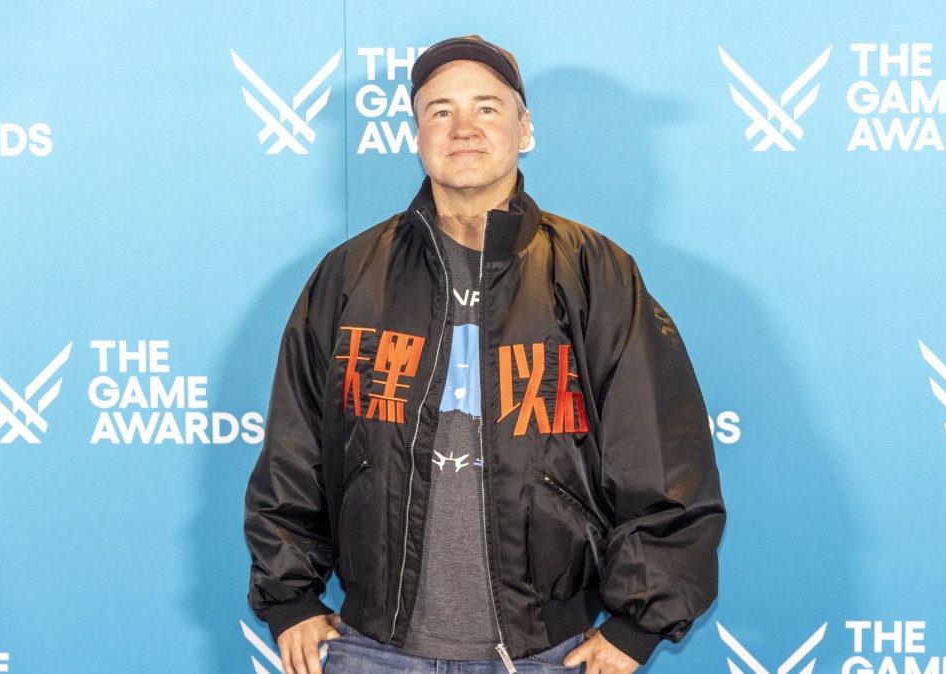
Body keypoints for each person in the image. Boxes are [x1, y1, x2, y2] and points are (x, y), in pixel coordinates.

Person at [244, 35, 725, 674]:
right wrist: (289, 599)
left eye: (487, 108)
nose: (463, 127)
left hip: (551, 652)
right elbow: (294, 448)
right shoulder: (350, 276)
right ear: (416, 133)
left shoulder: (593, 273)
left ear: (524, 129)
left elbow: (660, 452)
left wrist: (640, 625)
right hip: (370, 650)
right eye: (440, 110)